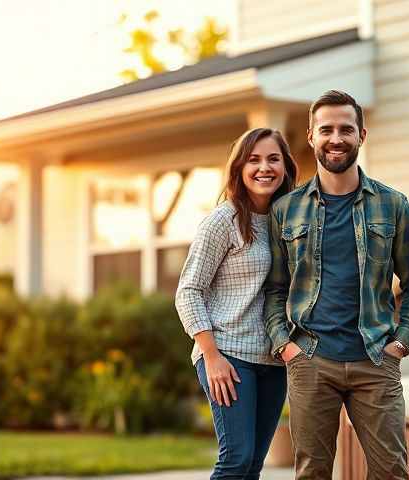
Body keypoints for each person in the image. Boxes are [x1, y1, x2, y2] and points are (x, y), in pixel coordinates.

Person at [264, 90, 409, 479]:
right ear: (311, 137)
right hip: (309, 358)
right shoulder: (286, 209)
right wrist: (285, 346)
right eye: (326, 129)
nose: (335, 138)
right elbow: (274, 289)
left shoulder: (393, 205)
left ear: (362, 135)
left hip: (375, 357)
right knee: (312, 473)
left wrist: (401, 341)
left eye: (345, 129)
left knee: (391, 471)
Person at [175, 128, 298, 480]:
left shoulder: (287, 222)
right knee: (236, 460)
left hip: (272, 358)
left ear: (286, 166)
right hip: (227, 355)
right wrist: (211, 356)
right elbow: (189, 290)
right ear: (239, 168)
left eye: (273, 159)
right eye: (254, 160)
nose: (264, 167)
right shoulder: (222, 221)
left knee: (253, 466)